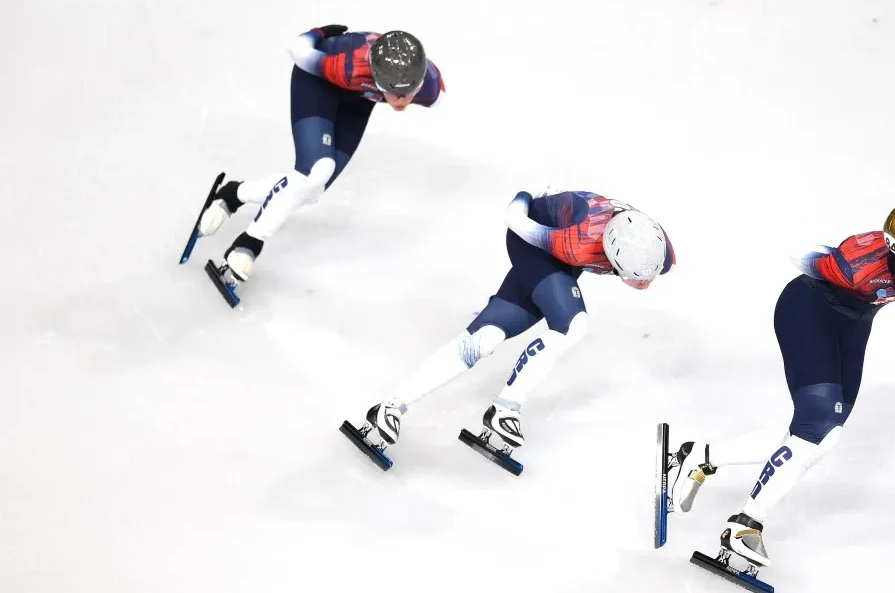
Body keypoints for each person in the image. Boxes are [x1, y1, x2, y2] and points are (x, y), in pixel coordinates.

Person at [667, 199, 895, 571]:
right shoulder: (857, 266)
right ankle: (745, 524)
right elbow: (806, 258)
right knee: (818, 426)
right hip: (808, 312)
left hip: (854, 323)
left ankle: (700, 456)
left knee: (820, 436)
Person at [354, 189, 677, 460]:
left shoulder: (656, 249)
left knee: (484, 339)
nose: (644, 284)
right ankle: (505, 410)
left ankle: (389, 407)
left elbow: (650, 262)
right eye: (633, 277)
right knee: (572, 326)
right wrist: (525, 195)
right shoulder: (578, 243)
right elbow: (515, 220)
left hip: (563, 258)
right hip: (533, 242)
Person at [192, 25, 445, 290]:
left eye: (409, 91)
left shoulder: (430, 87)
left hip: (358, 100)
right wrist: (320, 33)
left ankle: (232, 194)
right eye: (393, 92)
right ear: (380, 80)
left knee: (311, 190)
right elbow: (298, 49)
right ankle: (248, 244)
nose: (402, 101)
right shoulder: (350, 65)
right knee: (317, 171)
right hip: (317, 84)